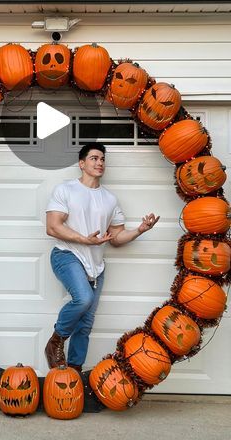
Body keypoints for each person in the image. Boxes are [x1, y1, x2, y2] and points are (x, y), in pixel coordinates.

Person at [44, 142, 159, 373]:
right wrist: (84, 240)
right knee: (83, 299)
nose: (100, 162)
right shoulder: (66, 190)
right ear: (82, 163)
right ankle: (56, 340)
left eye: (103, 159)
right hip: (67, 255)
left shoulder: (109, 199)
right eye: (94, 158)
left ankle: (74, 371)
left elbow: (116, 237)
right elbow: (53, 227)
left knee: (86, 323)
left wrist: (140, 230)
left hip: (96, 265)